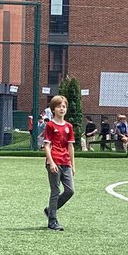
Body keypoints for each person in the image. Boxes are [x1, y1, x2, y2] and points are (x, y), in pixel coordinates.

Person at [41, 94, 76, 231]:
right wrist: (51, 162)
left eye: (64, 106)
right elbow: (47, 145)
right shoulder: (50, 125)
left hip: (66, 162)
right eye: (59, 106)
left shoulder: (69, 126)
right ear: (53, 109)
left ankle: (50, 210)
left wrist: (73, 164)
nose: (62, 109)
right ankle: (52, 221)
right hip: (54, 161)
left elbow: (70, 146)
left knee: (70, 191)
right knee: (55, 191)